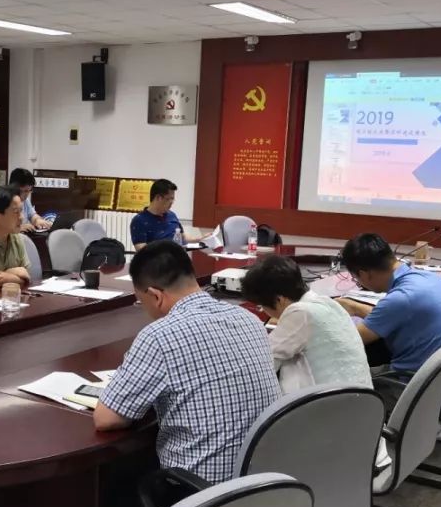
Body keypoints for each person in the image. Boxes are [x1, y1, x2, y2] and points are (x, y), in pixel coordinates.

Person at [94, 241, 281, 484]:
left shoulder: (159, 336)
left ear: (156, 296)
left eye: (142, 303)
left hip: (199, 492)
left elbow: (107, 418)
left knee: (120, 486)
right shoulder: (250, 319)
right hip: (262, 483)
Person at [337, 233, 441, 414]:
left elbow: (348, 341)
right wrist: (354, 307)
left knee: (336, 391)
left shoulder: (400, 298)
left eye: (356, 278)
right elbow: (397, 314)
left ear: (364, 274)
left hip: (416, 396)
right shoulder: (427, 278)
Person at [242, 255, 372, 393]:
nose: (264, 311)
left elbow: (263, 364)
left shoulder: (300, 313)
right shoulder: (328, 303)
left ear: (279, 300)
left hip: (328, 403)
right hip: (364, 400)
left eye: (262, 306)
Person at [129, 178, 197, 250]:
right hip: (158, 257)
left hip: (177, 256)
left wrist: (199, 239)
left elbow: (182, 236)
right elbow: (141, 248)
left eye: (173, 199)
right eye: (168, 199)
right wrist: (166, 249)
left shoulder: (172, 215)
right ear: (158, 198)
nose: (171, 202)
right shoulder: (139, 220)